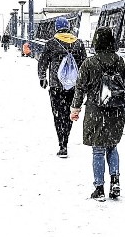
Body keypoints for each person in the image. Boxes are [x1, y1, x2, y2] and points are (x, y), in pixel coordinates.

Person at [70, 26, 125, 200]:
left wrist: (75, 109)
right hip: (117, 110)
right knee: (112, 146)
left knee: (98, 149)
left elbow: (80, 88)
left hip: (95, 111)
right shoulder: (123, 62)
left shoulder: (89, 63)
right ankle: (115, 182)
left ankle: (99, 188)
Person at [37, 17, 88, 158]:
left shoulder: (51, 44)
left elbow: (42, 62)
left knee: (58, 115)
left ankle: (62, 144)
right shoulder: (78, 43)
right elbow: (85, 65)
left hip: (56, 86)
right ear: (69, 27)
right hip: (73, 87)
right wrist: (84, 86)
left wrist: (42, 78)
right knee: (69, 114)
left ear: (56, 28)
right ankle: (66, 136)